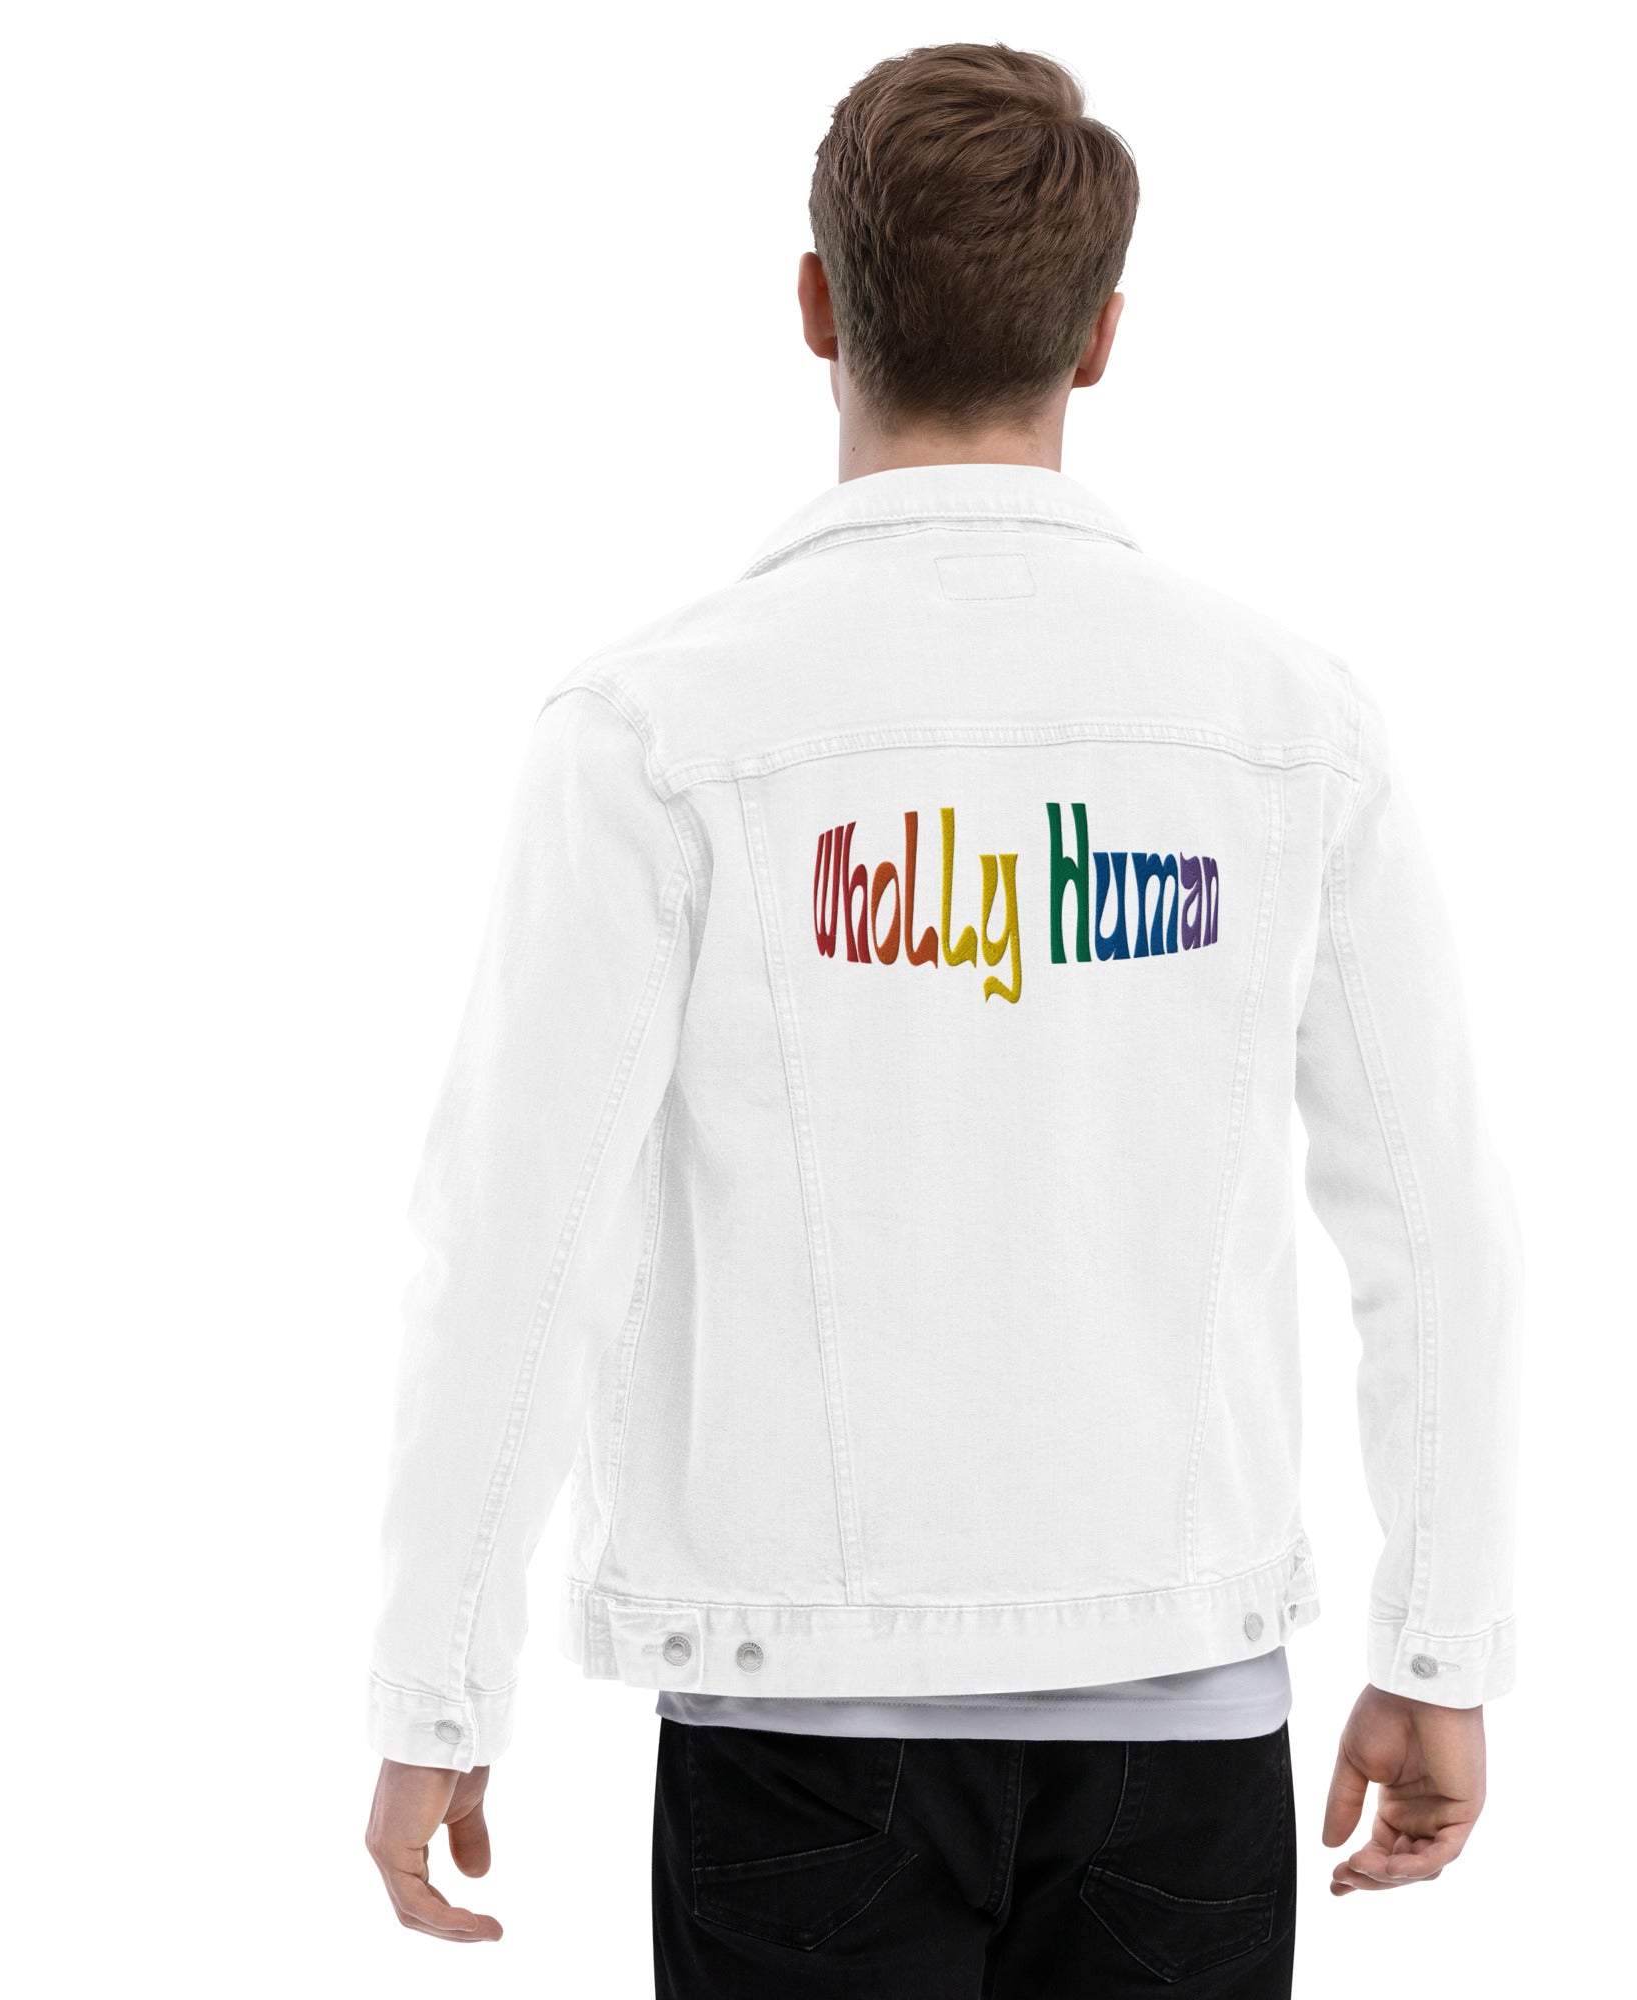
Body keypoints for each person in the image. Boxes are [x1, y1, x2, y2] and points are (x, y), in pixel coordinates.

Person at [363, 42, 1521, 1997]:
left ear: (818, 304)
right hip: (1183, 1716)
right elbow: (1441, 1220)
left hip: (797, 1726)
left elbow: (516, 1238)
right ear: (1103, 337)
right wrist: (1441, 1645)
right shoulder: (1286, 724)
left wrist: (437, 1683)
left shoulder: (655, 729)